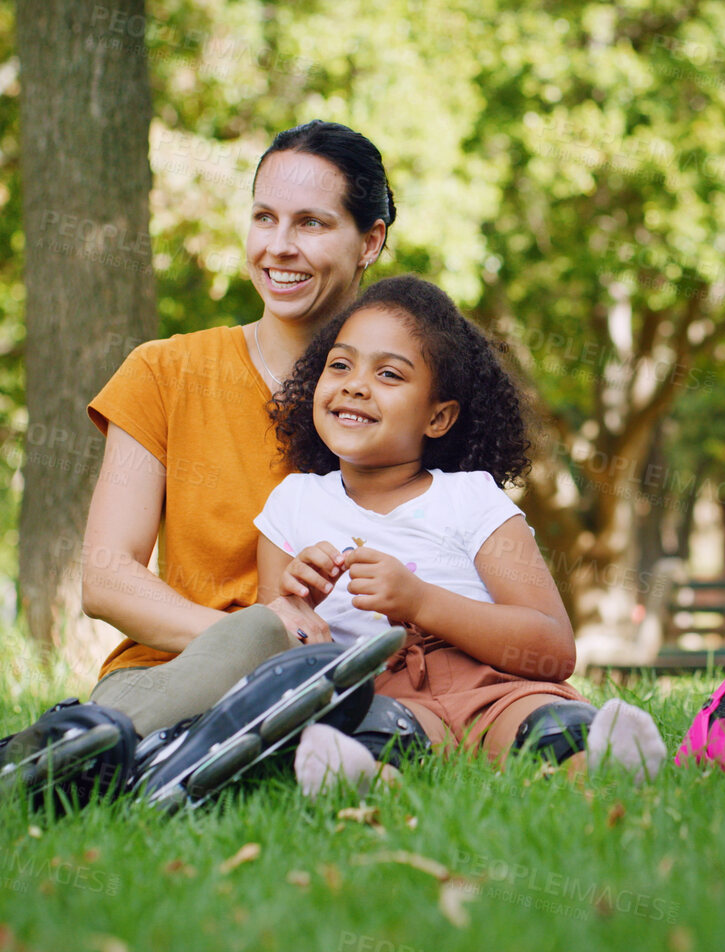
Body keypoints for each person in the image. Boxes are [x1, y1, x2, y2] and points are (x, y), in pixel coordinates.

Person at [0, 121, 404, 823]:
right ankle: (99, 749)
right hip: (169, 672)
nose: (278, 245)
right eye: (263, 217)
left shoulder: (406, 390)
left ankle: (153, 762)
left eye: (311, 223)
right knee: (265, 647)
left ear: (370, 240)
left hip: (341, 681)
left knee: (370, 718)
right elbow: (106, 575)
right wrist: (250, 637)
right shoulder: (164, 371)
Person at [252, 274, 667, 795]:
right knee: (370, 735)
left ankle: (603, 761)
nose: (355, 384)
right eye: (340, 364)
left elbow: (554, 647)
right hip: (379, 696)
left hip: (497, 686)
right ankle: (363, 779)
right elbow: (278, 666)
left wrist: (419, 600)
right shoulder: (291, 506)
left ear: (439, 417)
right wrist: (302, 612)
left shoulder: (471, 498)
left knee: (546, 725)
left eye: (388, 374)